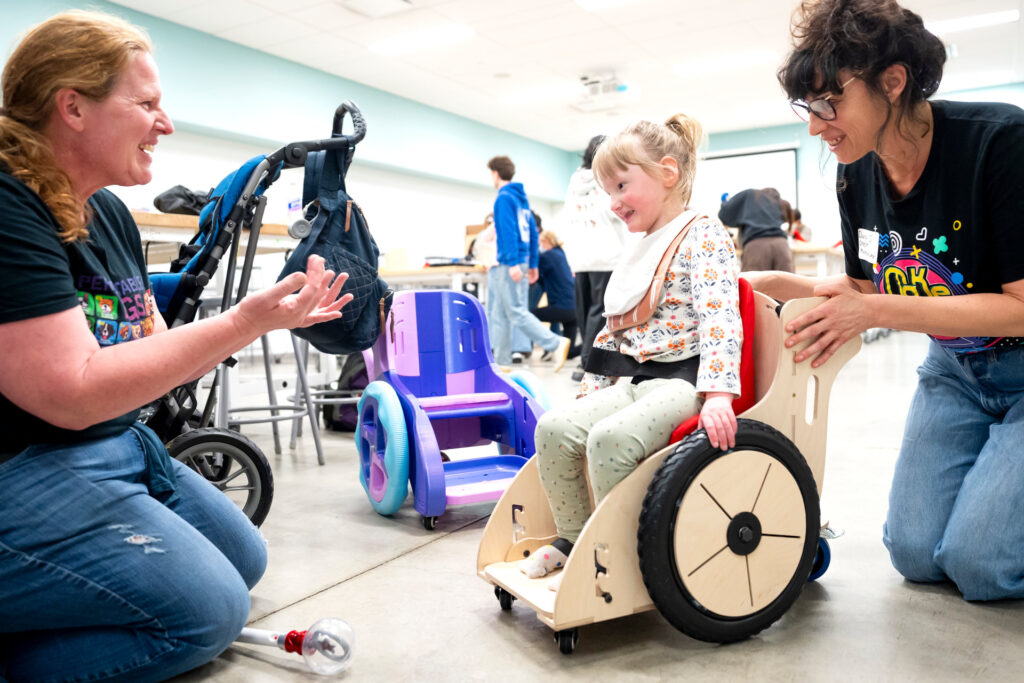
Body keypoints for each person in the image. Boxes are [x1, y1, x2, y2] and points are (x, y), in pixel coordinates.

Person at [0, 11, 351, 681]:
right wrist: (242, 324)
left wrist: (262, 320)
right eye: (147, 103)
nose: (165, 123)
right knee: (207, 614)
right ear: (72, 107)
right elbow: (72, 393)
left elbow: (148, 349)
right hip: (26, 461)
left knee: (244, 559)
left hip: (111, 448)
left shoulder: (105, 212)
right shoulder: (9, 204)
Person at [747, 0, 1024, 601]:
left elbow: (1020, 306)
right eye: (808, 109)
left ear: (892, 82)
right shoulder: (857, 174)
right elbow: (871, 287)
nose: (816, 127)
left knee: (980, 568)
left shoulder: (1000, 143)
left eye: (829, 104)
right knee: (917, 555)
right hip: (955, 370)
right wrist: (774, 288)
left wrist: (872, 311)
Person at [520, 114, 742, 584]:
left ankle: (619, 554)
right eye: (608, 192)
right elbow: (611, 332)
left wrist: (720, 395)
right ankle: (574, 539)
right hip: (639, 382)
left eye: (621, 186)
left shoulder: (702, 233)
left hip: (685, 383)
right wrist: (592, 392)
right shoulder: (637, 248)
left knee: (609, 440)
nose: (614, 204)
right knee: (554, 427)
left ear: (668, 173)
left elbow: (720, 317)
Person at [486, 155, 570, 370]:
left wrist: (513, 262)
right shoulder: (522, 200)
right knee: (500, 313)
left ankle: (555, 342)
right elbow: (533, 233)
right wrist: (532, 264)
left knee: (515, 311)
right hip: (521, 261)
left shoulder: (504, 198)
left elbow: (507, 232)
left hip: (509, 263)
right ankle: (502, 363)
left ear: (495, 173)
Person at [562, 134, 629, 381]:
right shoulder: (605, 178)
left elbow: (567, 219)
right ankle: (588, 364)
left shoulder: (574, 183)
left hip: (580, 258)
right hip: (607, 254)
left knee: (584, 312)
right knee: (600, 312)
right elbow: (615, 212)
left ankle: (585, 362)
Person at [528, 228, 581, 359]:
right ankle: (588, 346)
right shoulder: (560, 254)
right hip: (574, 310)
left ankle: (550, 343)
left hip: (562, 308)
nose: (540, 246)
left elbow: (534, 274)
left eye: (541, 243)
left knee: (527, 316)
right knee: (567, 353)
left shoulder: (548, 256)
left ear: (546, 241)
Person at [718, 187, 795, 272]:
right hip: (782, 246)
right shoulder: (775, 202)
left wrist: (724, 203)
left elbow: (724, 214)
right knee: (786, 283)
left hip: (757, 247)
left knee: (754, 284)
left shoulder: (750, 195)